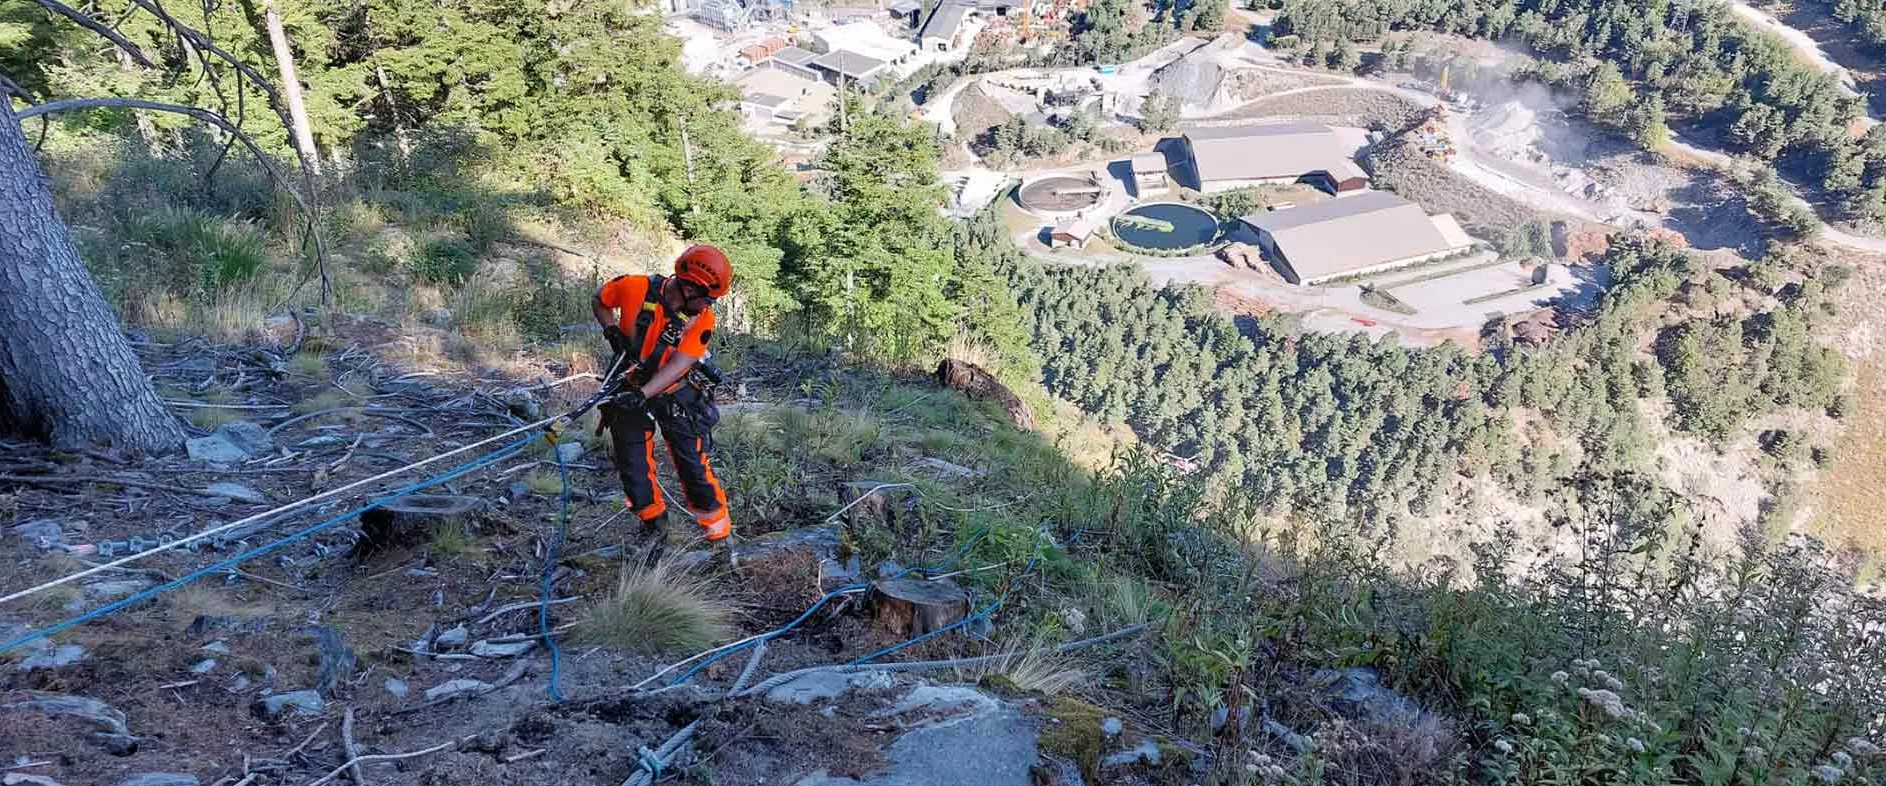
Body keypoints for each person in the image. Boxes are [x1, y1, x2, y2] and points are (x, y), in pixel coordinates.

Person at [592, 245, 733, 555]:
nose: (708, 305)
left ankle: (719, 538)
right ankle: (654, 524)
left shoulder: (701, 320)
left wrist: (642, 395)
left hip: (673, 391)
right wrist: (611, 330)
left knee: (692, 464)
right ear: (687, 285)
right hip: (628, 381)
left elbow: (678, 366)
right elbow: (600, 299)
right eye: (705, 298)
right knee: (632, 462)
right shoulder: (634, 287)